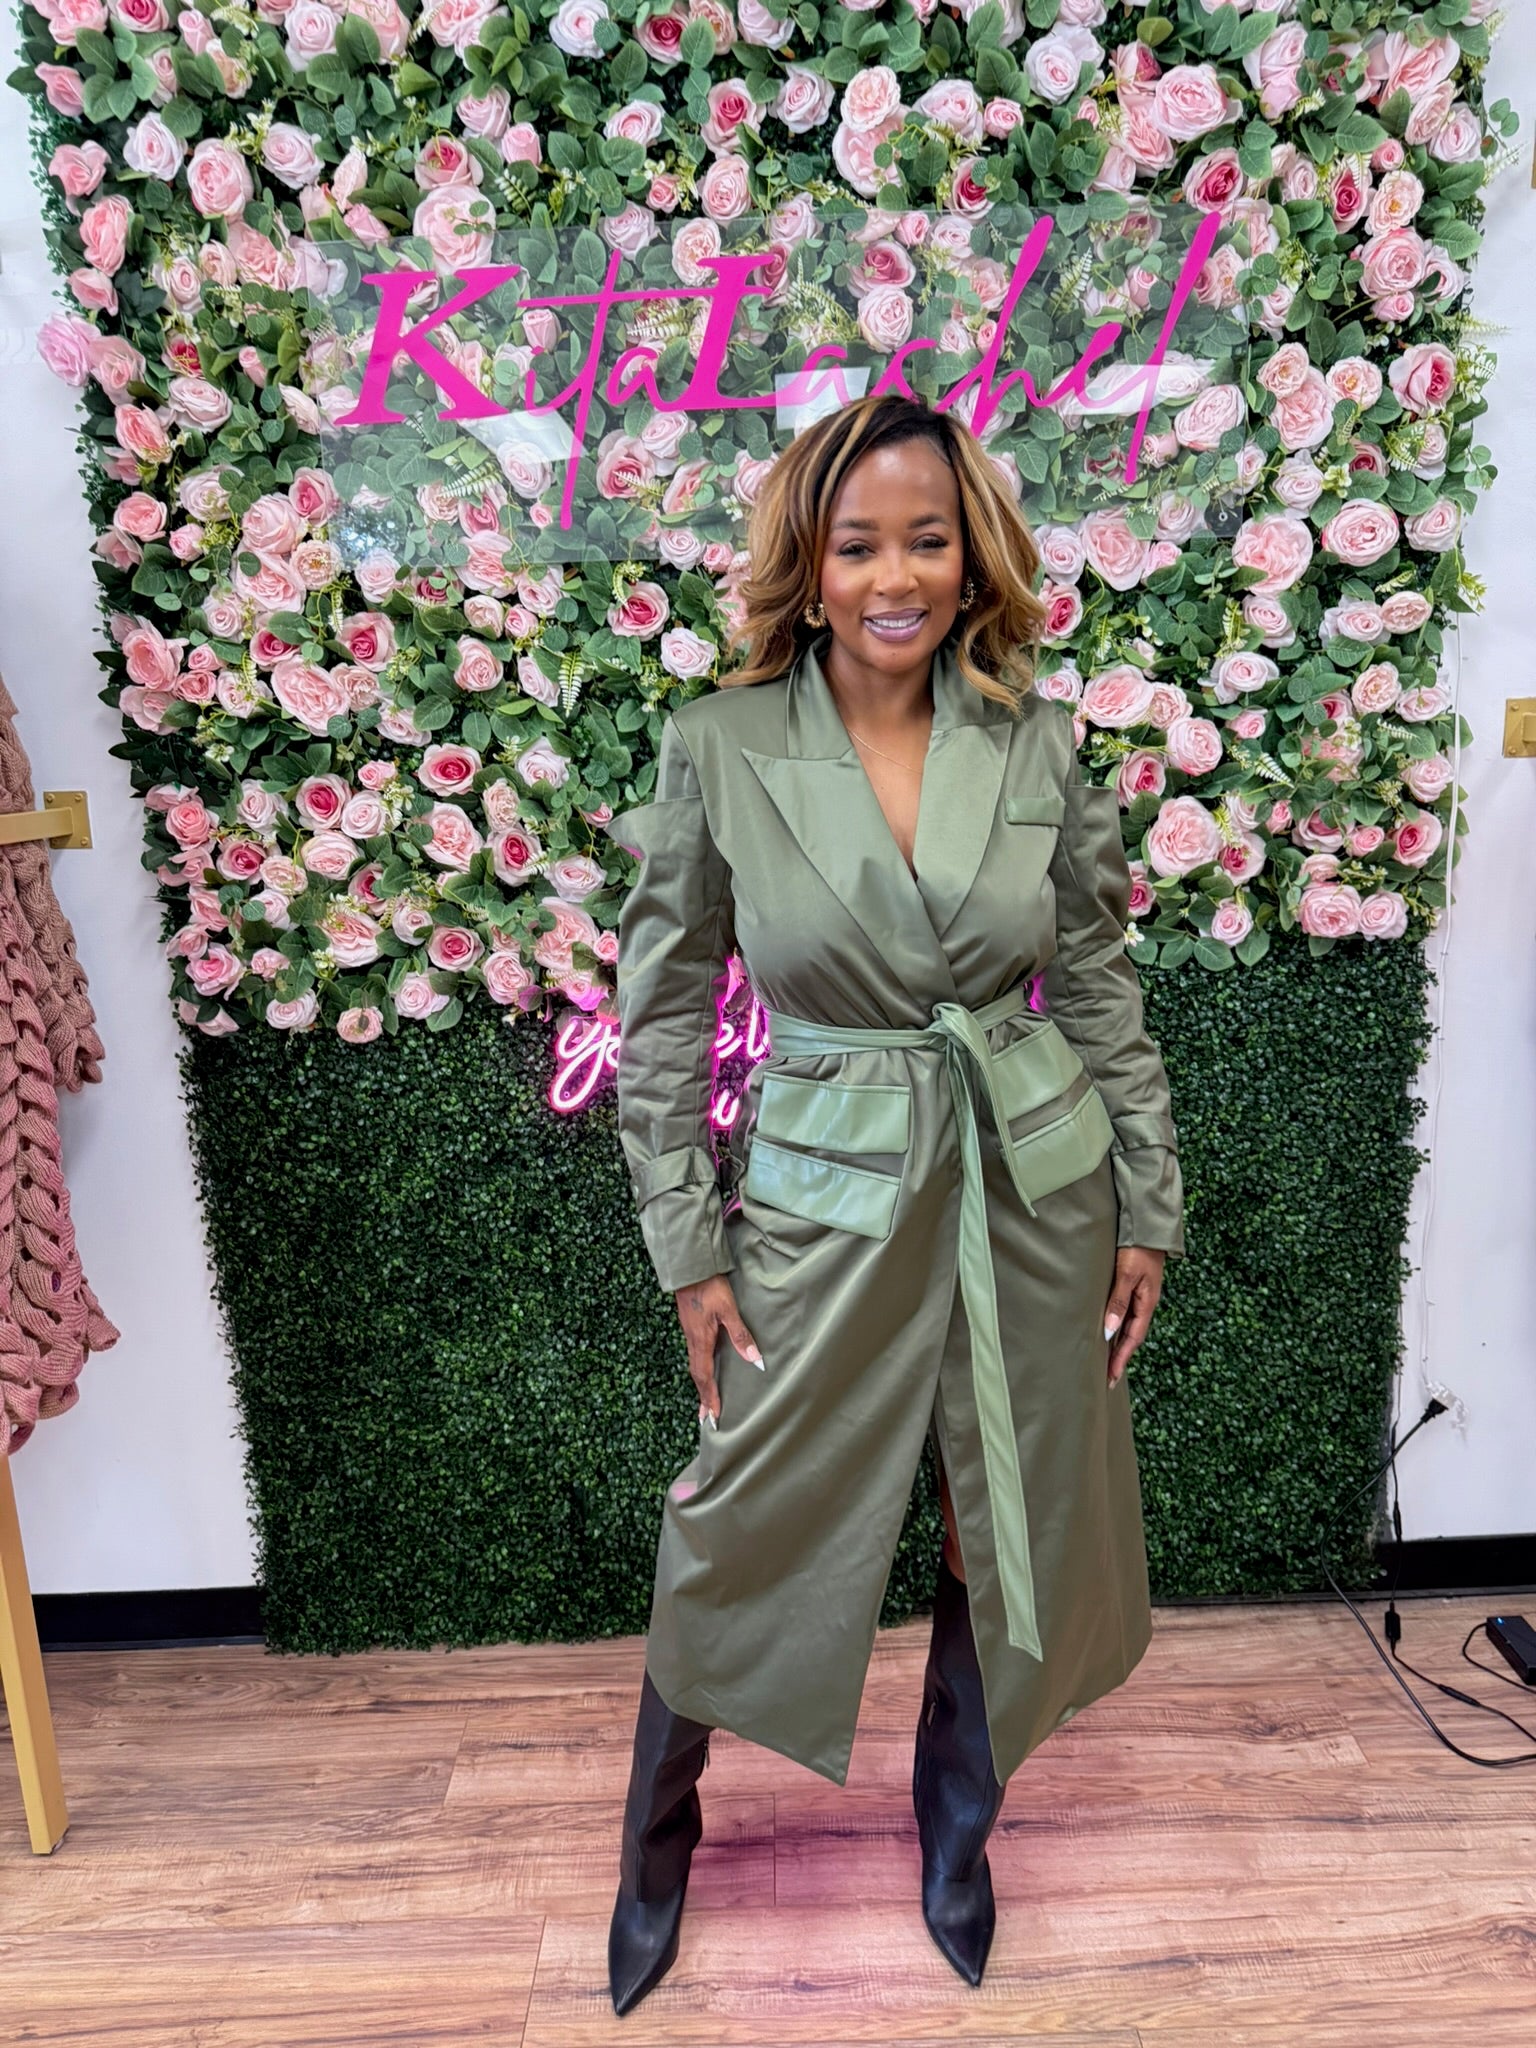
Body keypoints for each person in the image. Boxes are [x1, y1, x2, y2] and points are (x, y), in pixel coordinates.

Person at [599, 391, 1185, 2016]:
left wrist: (1148, 1199)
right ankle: (654, 1841)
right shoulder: (720, 746)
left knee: (1007, 1513)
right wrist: (688, 1243)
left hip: (1035, 1181)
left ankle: (957, 1837)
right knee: (740, 1512)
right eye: (859, 544)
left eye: (928, 539)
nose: (895, 576)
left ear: (971, 555)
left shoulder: (1036, 743)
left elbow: (1099, 985)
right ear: (810, 562)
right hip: (825, 1191)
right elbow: (662, 1013)